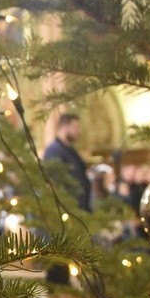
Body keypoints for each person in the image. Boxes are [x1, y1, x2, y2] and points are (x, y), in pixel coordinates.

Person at [43, 113, 89, 285]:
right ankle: (58, 290)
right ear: (65, 127)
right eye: (75, 127)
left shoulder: (70, 150)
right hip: (64, 211)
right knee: (60, 255)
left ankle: (66, 287)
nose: (78, 131)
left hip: (76, 210)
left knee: (70, 254)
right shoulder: (54, 151)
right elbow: (56, 183)